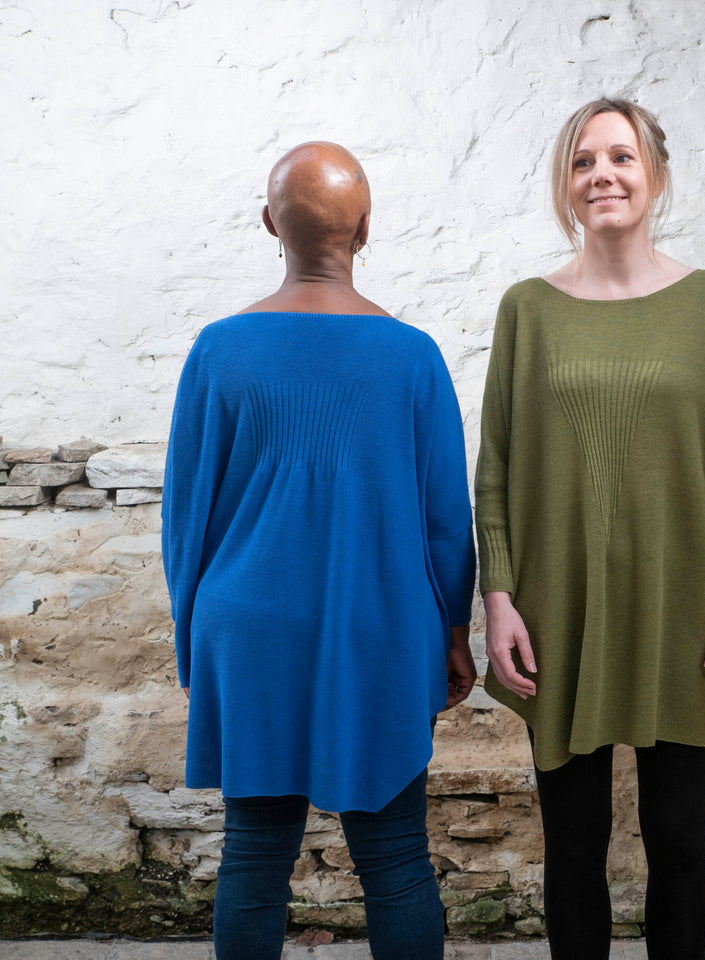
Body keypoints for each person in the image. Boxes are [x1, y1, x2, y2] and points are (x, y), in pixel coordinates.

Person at [161, 141, 476, 960]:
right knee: (398, 860)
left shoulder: (217, 351)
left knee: (255, 857)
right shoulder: (414, 357)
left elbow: (186, 518)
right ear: (365, 228)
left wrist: (190, 635)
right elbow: (447, 520)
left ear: (270, 223)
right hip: (379, 628)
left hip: (248, 631)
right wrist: (453, 634)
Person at [475, 98, 705, 960]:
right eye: (582, 161)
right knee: (573, 847)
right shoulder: (527, 309)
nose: (601, 174)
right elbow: (495, 466)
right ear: (566, 187)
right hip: (558, 608)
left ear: (656, 175)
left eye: (621, 156)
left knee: (679, 844)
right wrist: (498, 597)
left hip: (682, 603)